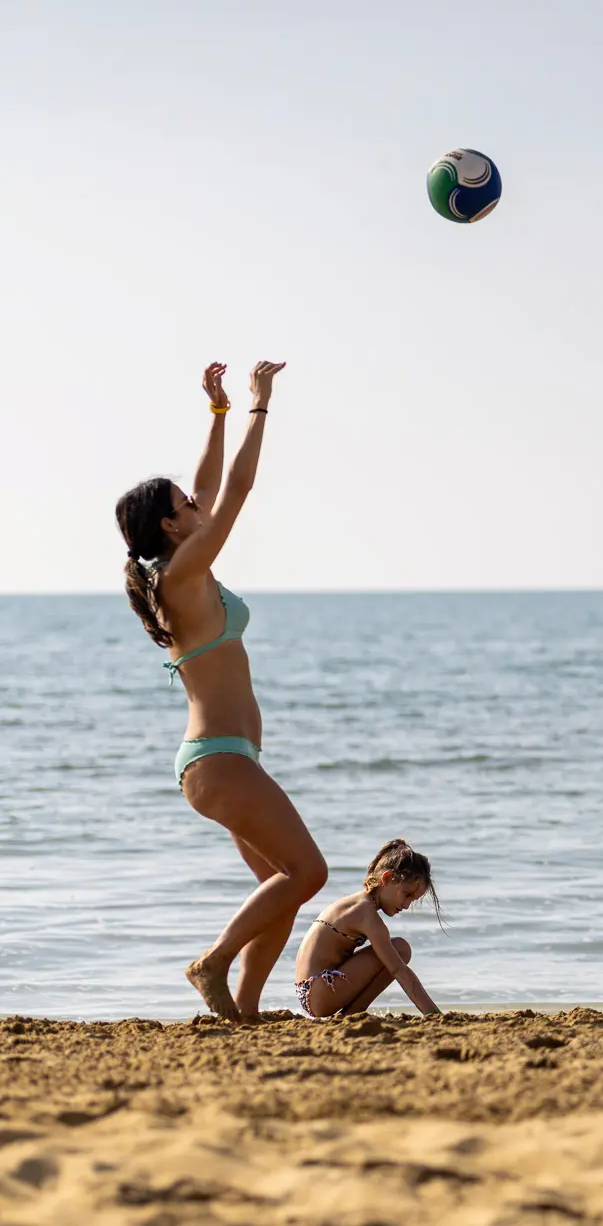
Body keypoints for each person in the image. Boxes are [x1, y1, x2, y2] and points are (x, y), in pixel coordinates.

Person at [115, 360, 327, 1022]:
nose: (197, 504)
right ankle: (211, 962)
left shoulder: (183, 565)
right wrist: (262, 408)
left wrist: (218, 413)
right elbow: (232, 490)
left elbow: (207, 485)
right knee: (308, 873)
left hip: (230, 758)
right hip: (217, 760)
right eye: (184, 505)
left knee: (280, 886)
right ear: (172, 527)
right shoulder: (182, 576)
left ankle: (242, 1007)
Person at [293, 840, 444, 1018]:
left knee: (395, 951)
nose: (406, 905)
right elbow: (398, 970)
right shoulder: (367, 915)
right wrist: (433, 1014)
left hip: (309, 991)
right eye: (407, 894)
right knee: (400, 949)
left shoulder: (356, 903)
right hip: (320, 993)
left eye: (413, 900)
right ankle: (353, 1013)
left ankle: (350, 1013)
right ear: (386, 878)